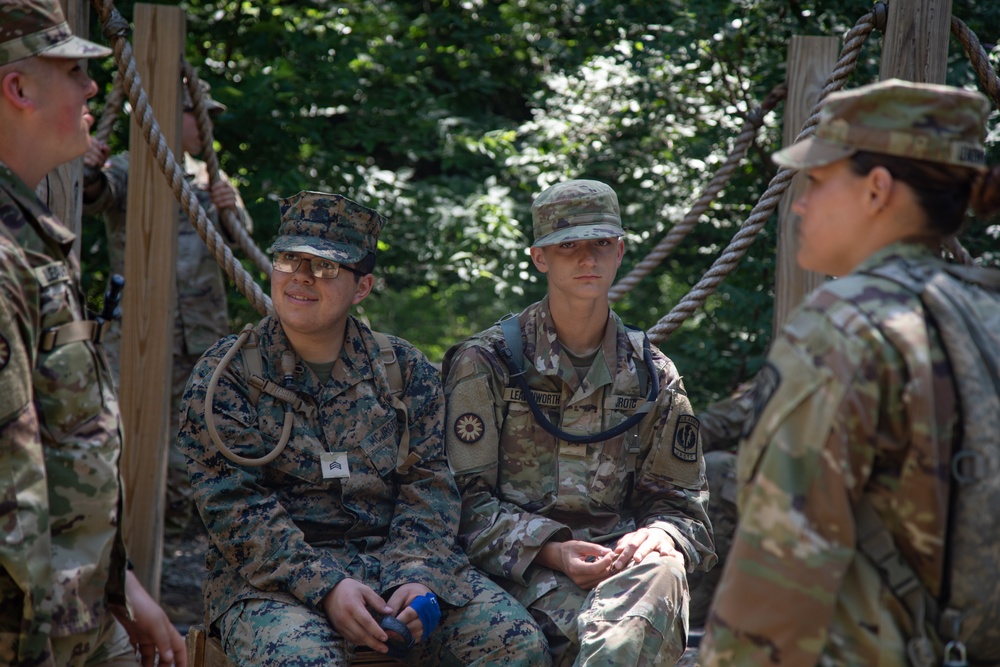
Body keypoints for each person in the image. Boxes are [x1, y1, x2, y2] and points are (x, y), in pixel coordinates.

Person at [176, 191, 549, 666]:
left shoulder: (403, 370)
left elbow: (431, 485)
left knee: (516, 643)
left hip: (392, 563)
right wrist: (326, 587)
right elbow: (233, 507)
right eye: (290, 259)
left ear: (362, 286)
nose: (303, 277)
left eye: (327, 267)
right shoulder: (225, 375)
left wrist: (417, 579)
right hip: (273, 583)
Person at [700, 78, 1000, 665]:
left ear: (877, 189)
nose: (802, 202)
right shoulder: (983, 310)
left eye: (816, 179)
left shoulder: (842, 329)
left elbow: (776, 584)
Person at [442, 179, 717, 666]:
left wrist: (661, 534)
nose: (587, 259)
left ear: (620, 252)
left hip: (623, 572)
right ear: (539, 257)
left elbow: (682, 505)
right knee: (616, 642)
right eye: (568, 245)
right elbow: (458, 503)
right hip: (514, 576)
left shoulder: (653, 374)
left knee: (664, 570)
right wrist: (551, 549)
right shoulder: (489, 362)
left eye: (601, 244)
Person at [0, 1, 186, 665]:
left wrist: (119, 585)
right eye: (74, 70)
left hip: (75, 612)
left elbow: (56, 447)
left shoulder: (28, 237)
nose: (93, 87)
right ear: (18, 88)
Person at [82, 75, 254, 535]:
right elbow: (92, 196)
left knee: (199, 428)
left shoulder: (210, 177)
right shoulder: (127, 167)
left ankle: (183, 527)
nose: (206, 123)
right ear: (167, 116)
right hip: (135, 329)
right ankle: (128, 526)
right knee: (129, 425)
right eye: (198, 114)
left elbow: (243, 241)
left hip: (199, 331)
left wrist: (227, 209)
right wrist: (88, 168)